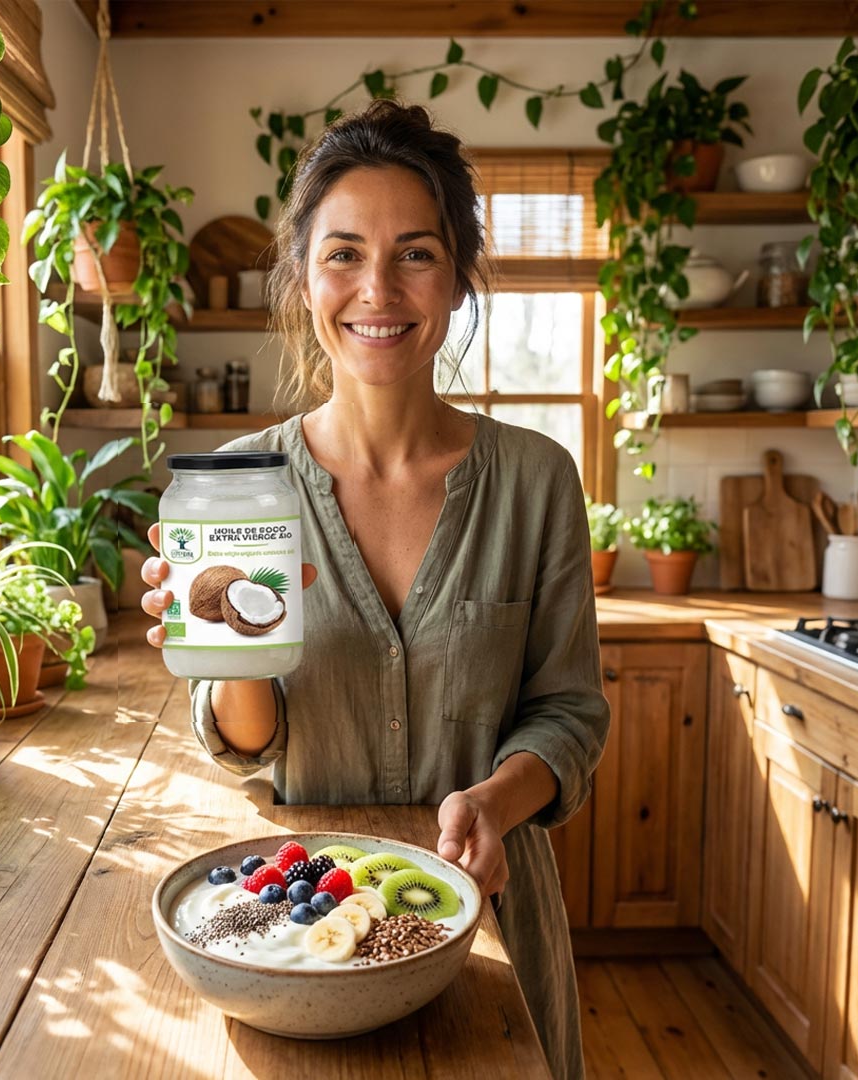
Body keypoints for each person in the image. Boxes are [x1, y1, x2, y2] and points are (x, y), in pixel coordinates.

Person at [142, 99, 609, 1079]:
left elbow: (568, 710)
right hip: (297, 943)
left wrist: (497, 796)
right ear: (305, 278)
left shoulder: (536, 481)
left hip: (489, 924)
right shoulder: (240, 484)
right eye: (345, 253)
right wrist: (228, 642)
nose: (378, 288)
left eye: (416, 253)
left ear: (457, 276)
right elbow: (246, 746)